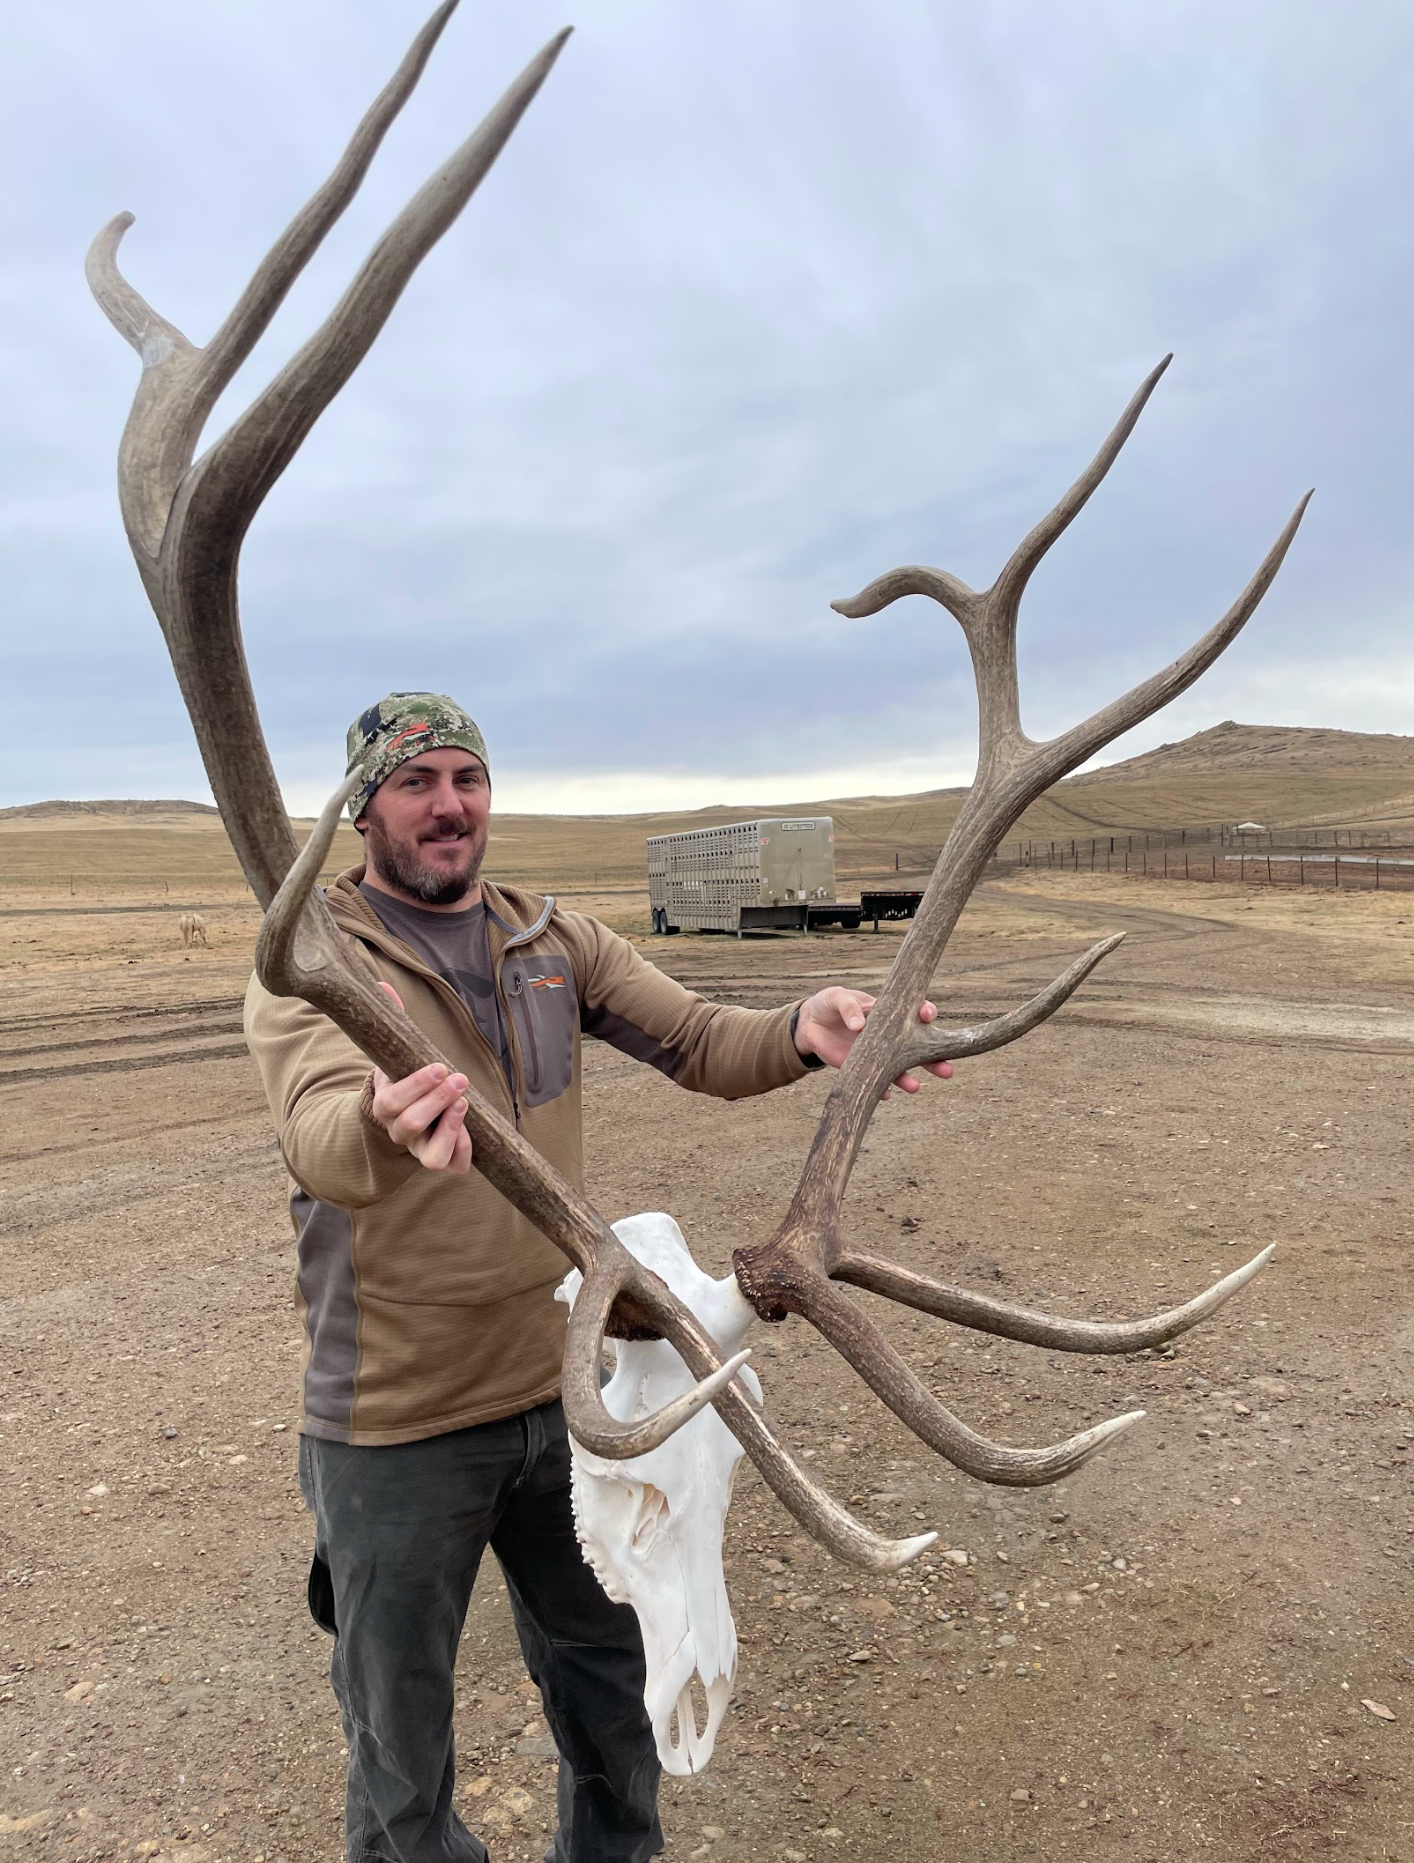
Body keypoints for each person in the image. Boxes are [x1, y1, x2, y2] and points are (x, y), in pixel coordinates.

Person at [243, 692, 952, 1863]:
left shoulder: (548, 940)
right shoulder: (312, 958)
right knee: (399, 1758)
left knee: (615, 1700)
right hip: (395, 1420)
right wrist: (380, 1122)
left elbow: (698, 1039)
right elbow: (315, 1134)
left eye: (467, 779)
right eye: (416, 783)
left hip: (570, 1399)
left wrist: (803, 1027)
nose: (449, 806)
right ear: (362, 807)